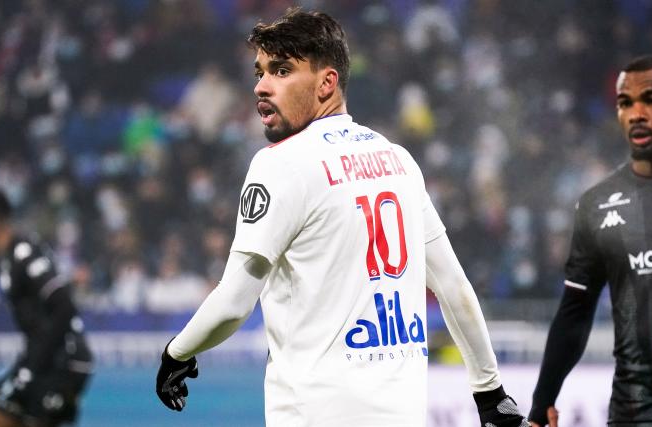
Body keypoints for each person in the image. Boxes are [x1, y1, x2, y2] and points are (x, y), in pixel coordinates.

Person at [154, 8, 527, 427]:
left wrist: (177, 353)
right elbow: (454, 287)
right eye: (260, 72)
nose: (261, 85)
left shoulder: (281, 164)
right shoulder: (398, 161)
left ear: (326, 83)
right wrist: (490, 393)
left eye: (281, 71)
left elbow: (234, 304)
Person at [529, 55, 652, 426]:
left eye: (651, 100)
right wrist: (541, 405)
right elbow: (575, 312)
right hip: (631, 414)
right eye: (625, 103)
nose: (636, 113)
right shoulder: (597, 204)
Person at [0, 188, 93, 427]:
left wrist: (31, 368)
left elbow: (63, 306)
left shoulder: (24, 252)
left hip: (62, 361)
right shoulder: (10, 258)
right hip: (45, 361)